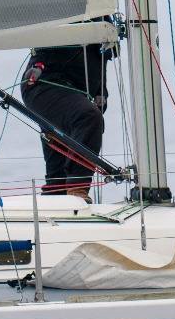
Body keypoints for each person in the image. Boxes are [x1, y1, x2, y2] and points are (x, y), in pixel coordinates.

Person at [19, 41, 113, 200]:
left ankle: (56, 199)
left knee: (58, 181)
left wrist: (101, 94)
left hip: (78, 94)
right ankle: (77, 189)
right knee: (88, 116)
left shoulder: (103, 30)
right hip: (43, 84)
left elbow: (100, 59)